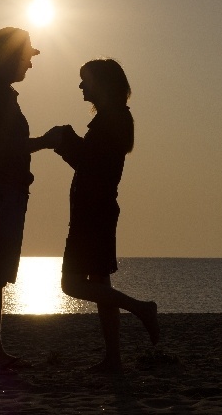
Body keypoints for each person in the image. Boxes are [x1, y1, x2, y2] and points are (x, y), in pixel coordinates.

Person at [0, 27, 62, 376]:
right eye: (26, 57)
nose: (30, 65)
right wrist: (45, 141)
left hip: (2, 189)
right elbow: (0, 148)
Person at [53, 58, 159, 374]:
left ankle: (142, 309)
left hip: (93, 213)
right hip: (96, 210)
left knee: (70, 285)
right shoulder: (113, 120)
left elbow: (93, 165)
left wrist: (65, 140)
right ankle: (113, 358)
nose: (81, 86)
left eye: (86, 80)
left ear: (103, 84)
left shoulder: (113, 121)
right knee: (101, 283)